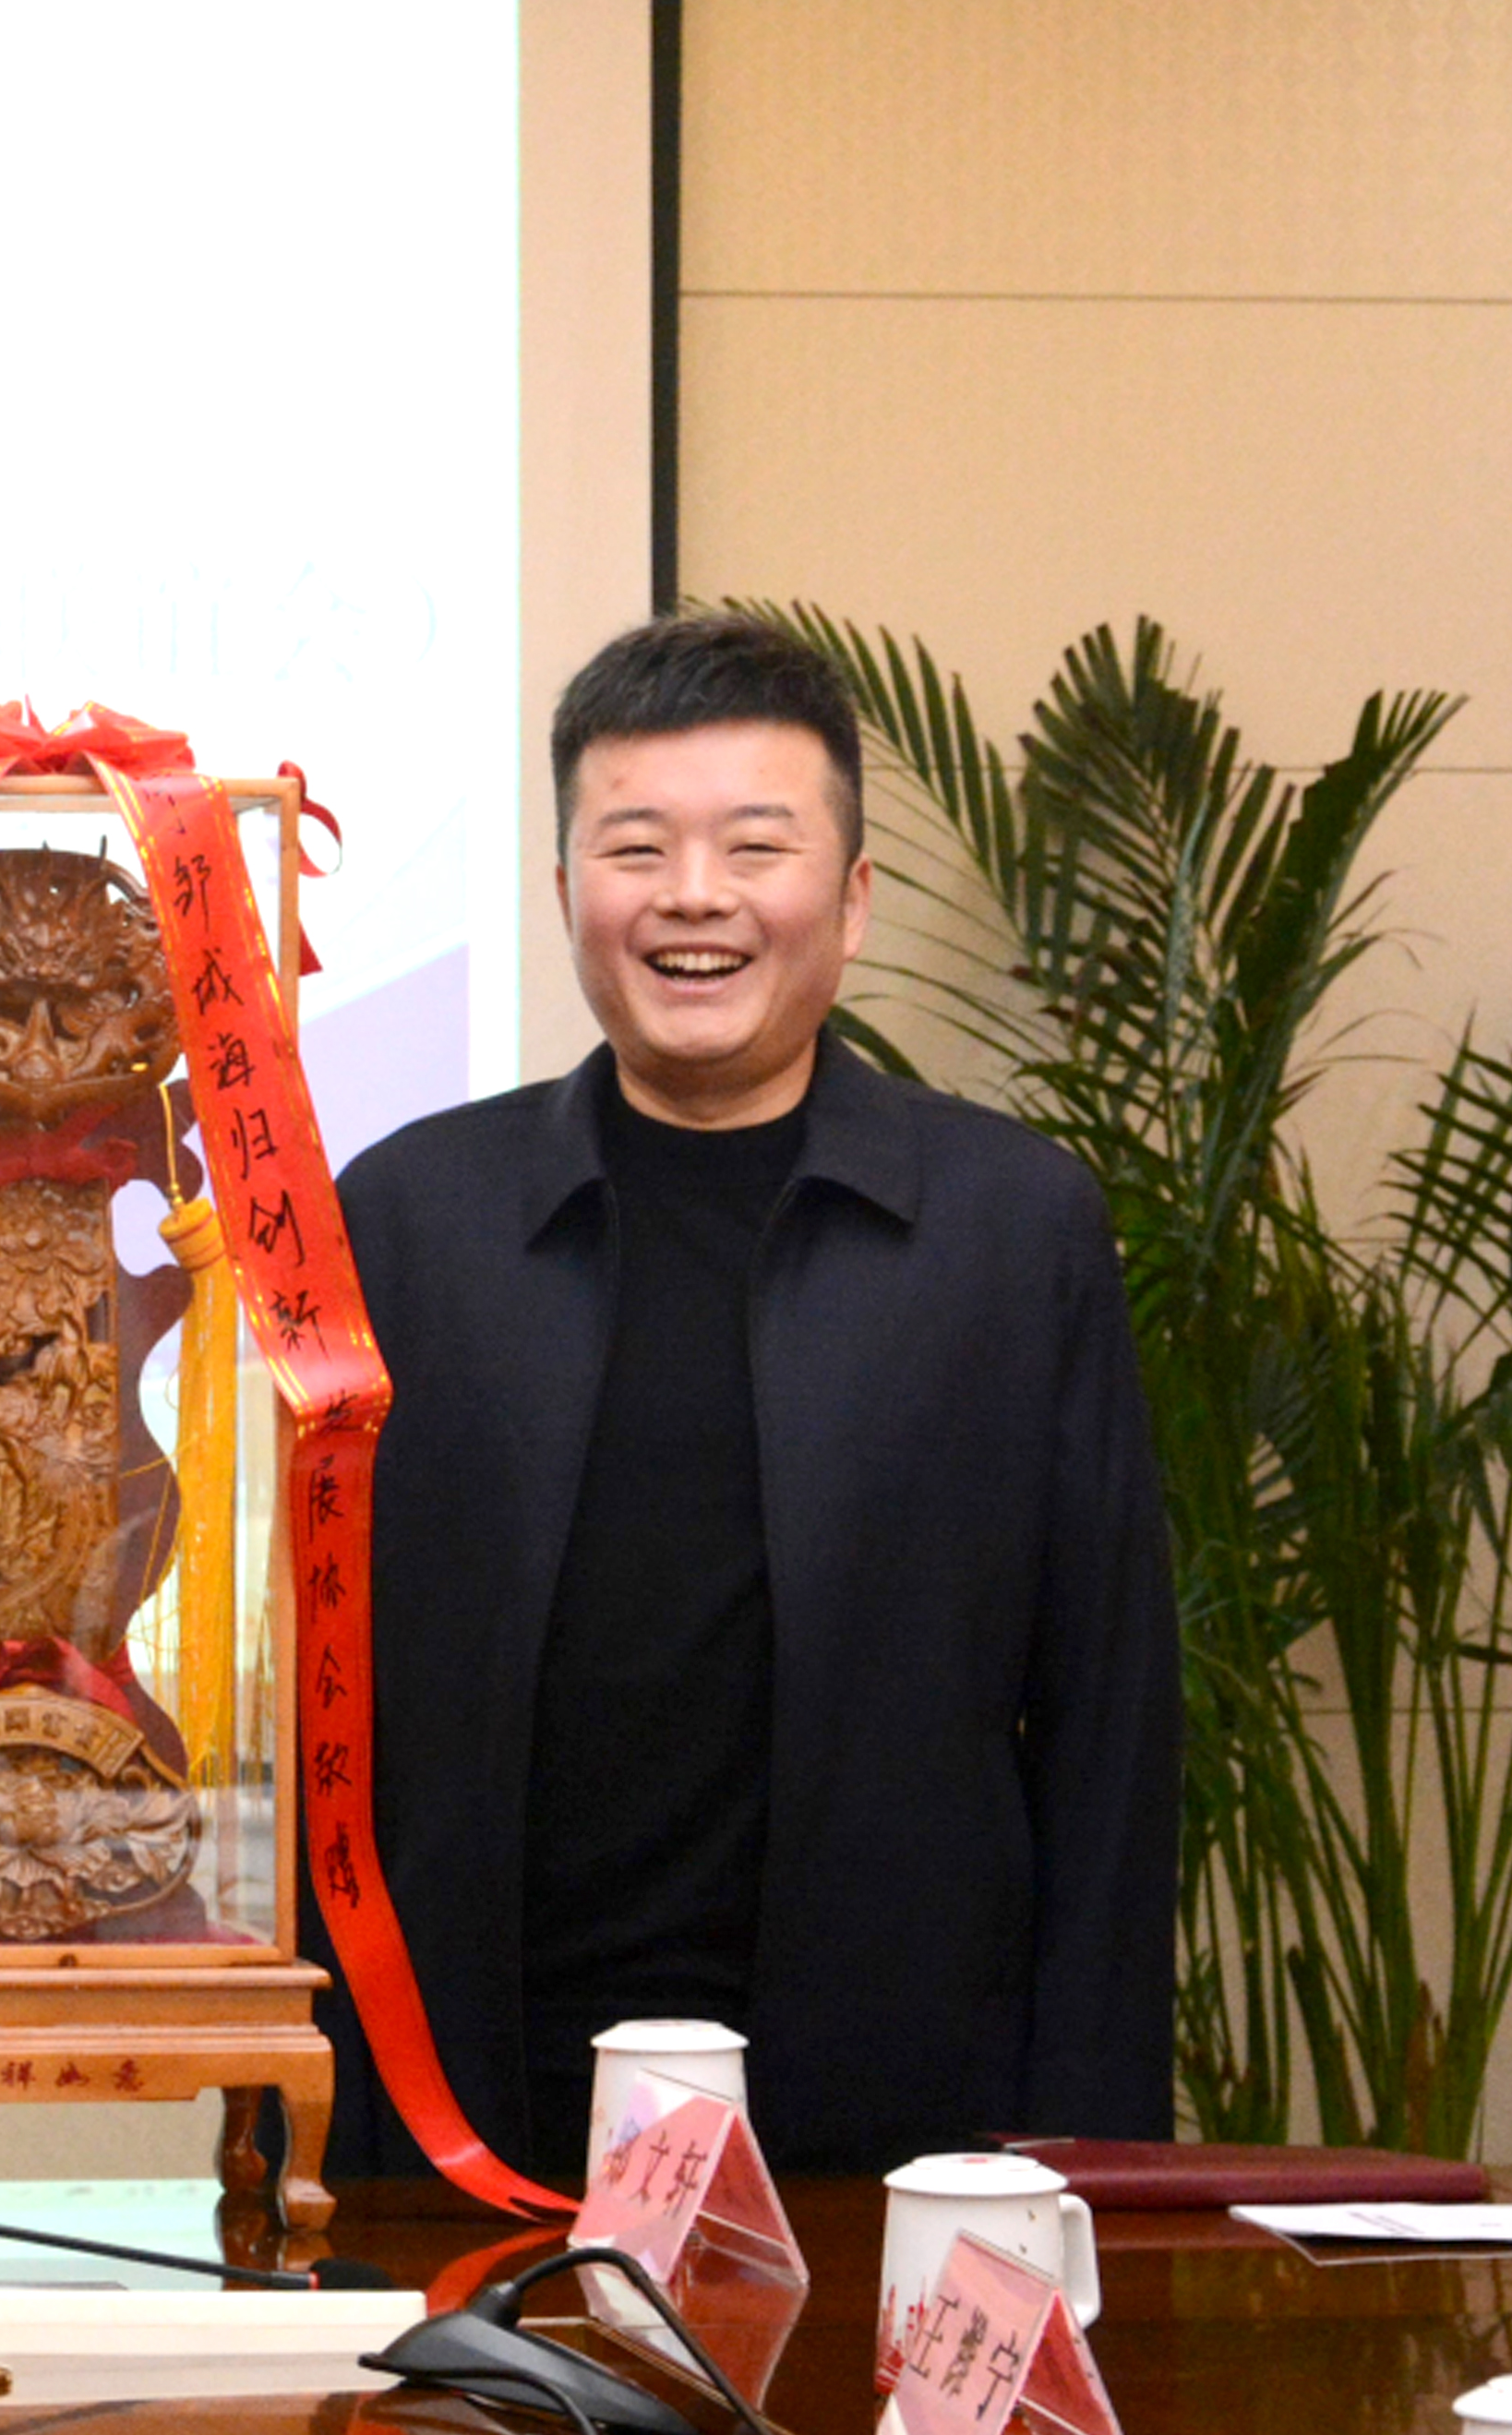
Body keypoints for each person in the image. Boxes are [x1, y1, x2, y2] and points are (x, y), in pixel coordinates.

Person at [316, 611, 1177, 2178]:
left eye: (754, 846)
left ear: (849, 900)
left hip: (900, 2124)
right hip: (471, 2115)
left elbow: (1107, 1724)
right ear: (564, 892)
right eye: (635, 846)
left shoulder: (1007, 1227)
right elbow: (327, 1706)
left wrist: (1082, 2153)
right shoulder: (410, 1216)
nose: (693, 895)